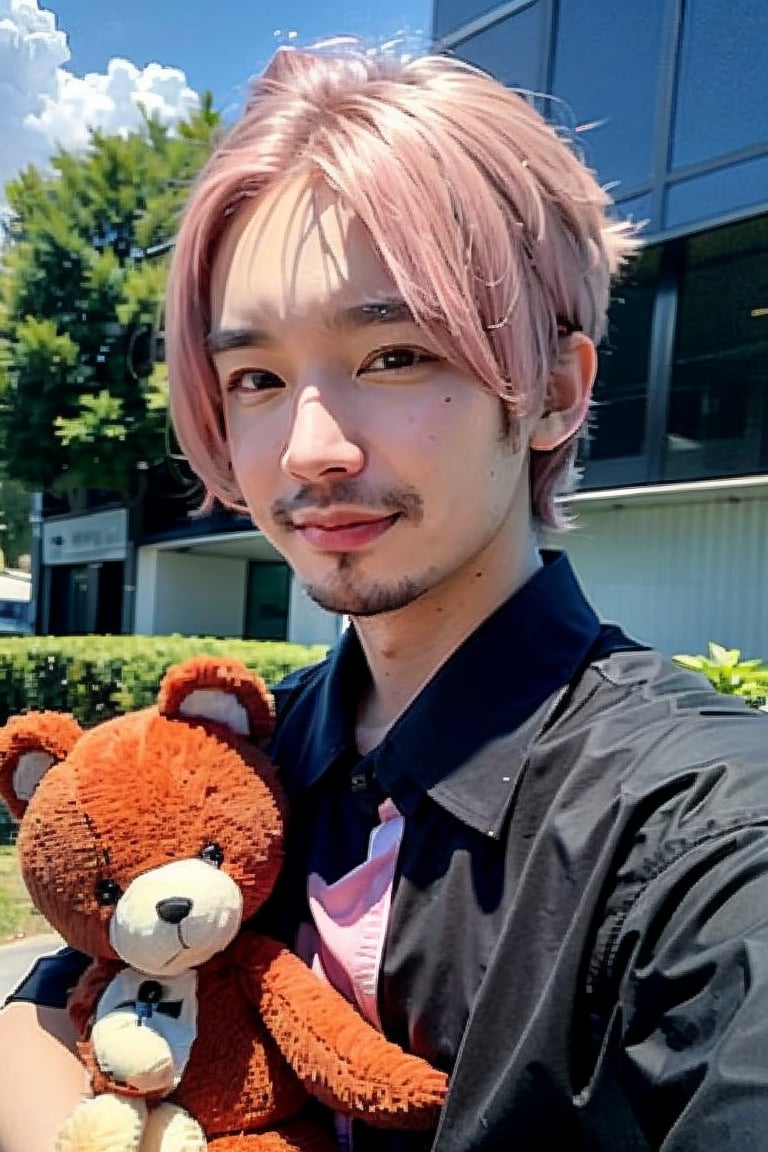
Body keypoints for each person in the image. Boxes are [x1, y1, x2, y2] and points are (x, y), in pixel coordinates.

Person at [2, 41, 768, 1152]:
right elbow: (40, 1015)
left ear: (554, 390)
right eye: (256, 378)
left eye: (396, 354)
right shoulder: (241, 757)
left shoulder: (701, 840)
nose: (308, 449)